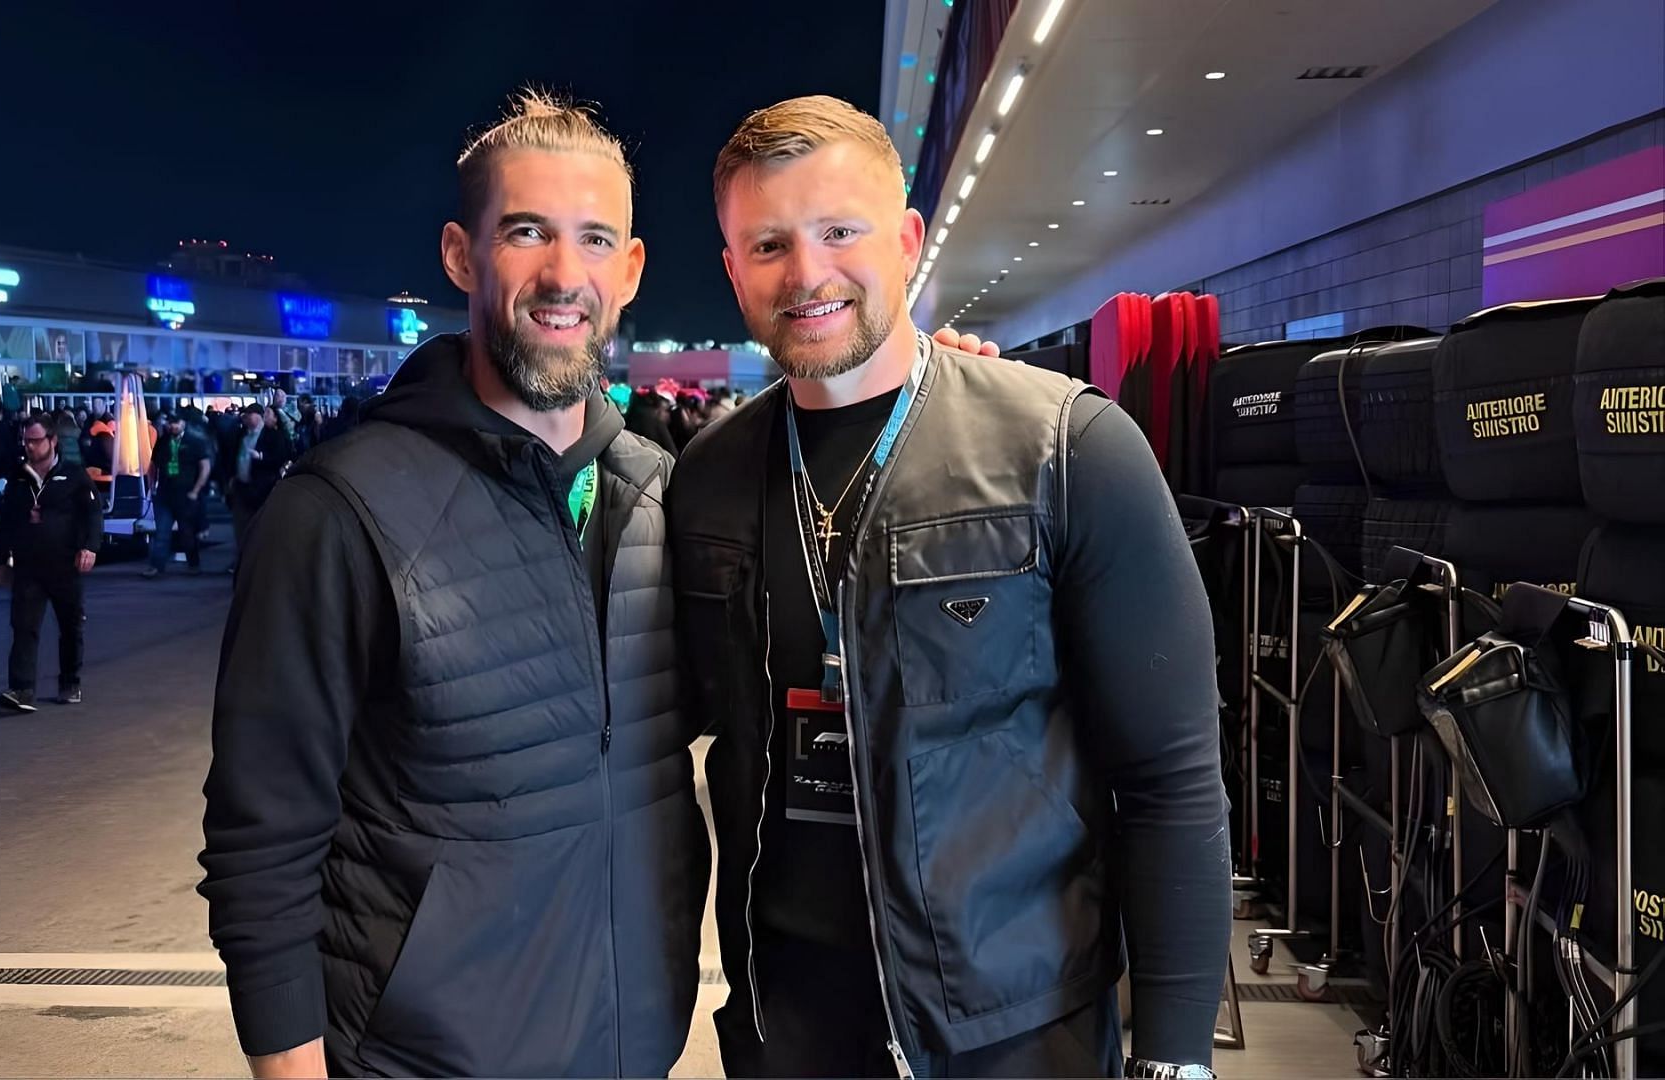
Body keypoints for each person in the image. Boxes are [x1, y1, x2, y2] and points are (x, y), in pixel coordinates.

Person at [669, 96, 1230, 1080]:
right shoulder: (709, 477)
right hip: (787, 1025)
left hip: (1014, 1028)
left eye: (840, 231)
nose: (807, 274)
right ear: (731, 267)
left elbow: (1171, 778)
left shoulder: (1065, 449)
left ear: (908, 238)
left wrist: (1177, 1055)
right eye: (768, 245)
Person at [198, 89, 709, 1078]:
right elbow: (262, 837)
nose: (566, 274)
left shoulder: (659, 493)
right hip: (423, 1057)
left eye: (596, 238)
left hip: (630, 1042)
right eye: (527, 232)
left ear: (632, 268)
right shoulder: (338, 512)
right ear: (461, 256)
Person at [0, 415, 103, 711]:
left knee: (70, 626)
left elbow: (93, 514)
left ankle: (70, 681)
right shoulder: (17, 478)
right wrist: (2, 560)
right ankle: (22, 688)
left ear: (52, 441)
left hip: (65, 564)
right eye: (26, 440)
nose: (29, 446)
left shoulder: (74, 475)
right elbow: (8, 522)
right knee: (24, 626)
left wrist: (90, 547)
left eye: (35, 440)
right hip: (29, 566)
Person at [142, 412, 212, 578]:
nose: (173, 426)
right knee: (162, 532)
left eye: (176, 423)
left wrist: (196, 490)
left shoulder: (195, 442)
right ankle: (157, 566)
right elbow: (153, 465)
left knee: (187, 532)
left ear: (183, 423)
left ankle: (193, 564)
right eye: (170, 423)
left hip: (186, 494)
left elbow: (205, 466)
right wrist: (151, 486)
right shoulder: (163, 442)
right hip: (165, 493)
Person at [220, 404, 289, 564]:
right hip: (241, 486)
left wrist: (261, 457)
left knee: (262, 526)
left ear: (258, 417)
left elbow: (280, 458)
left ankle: (262, 560)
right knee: (241, 526)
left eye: (249, 415)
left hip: (262, 488)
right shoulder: (240, 435)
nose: (245, 419)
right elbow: (230, 457)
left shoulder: (273, 436)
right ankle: (243, 560)